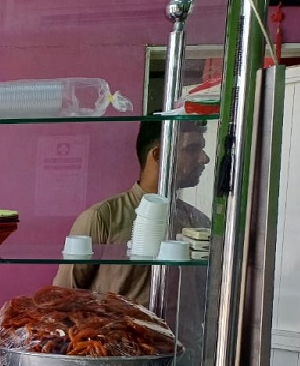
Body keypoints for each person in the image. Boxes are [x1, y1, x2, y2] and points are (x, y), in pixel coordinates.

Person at [52, 121, 211, 306]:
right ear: (159, 155)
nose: (204, 158)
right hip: (118, 325)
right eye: (192, 149)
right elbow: (61, 302)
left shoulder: (197, 223)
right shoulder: (103, 218)